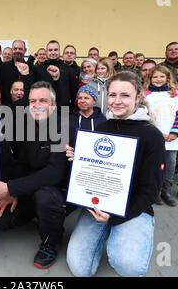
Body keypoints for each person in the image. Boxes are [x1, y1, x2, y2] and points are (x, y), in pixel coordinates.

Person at [66, 71, 166, 277]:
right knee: (79, 268)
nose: (117, 101)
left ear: (138, 97)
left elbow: (151, 190)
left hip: (134, 206)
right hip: (98, 204)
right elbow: (94, 169)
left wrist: (119, 217)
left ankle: (128, 232)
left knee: (129, 267)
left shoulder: (152, 135)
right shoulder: (102, 127)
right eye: (112, 95)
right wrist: (79, 159)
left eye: (125, 95)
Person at [0, 81, 70, 269]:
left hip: (55, 189)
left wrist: (11, 188)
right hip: (29, 186)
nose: (36, 105)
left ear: (53, 106)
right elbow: (20, 163)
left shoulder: (63, 126)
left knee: (45, 197)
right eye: (32, 101)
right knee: (0, 220)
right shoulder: (24, 124)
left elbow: (55, 173)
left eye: (43, 101)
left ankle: (51, 241)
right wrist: (12, 192)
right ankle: (39, 215)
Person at [144, 65, 178, 206]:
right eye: (155, 77)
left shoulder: (174, 94)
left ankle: (166, 191)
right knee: (155, 164)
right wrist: (157, 133)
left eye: (162, 76)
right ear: (150, 78)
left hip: (171, 137)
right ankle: (154, 192)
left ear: (168, 78)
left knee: (170, 163)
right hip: (155, 135)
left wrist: (175, 132)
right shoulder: (146, 94)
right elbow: (145, 115)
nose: (158, 79)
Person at [32, 40, 76, 107]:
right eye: (50, 50)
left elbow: (74, 91)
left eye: (55, 50)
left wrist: (71, 109)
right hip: (43, 108)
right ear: (46, 52)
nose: (53, 52)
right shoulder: (38, 69)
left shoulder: (69, 69)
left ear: (59, 51)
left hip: (64, 109)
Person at [0, 40, 32, 106]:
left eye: (20, 49)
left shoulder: (31, 69)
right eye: (15, 48)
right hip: (6, 109)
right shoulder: (2, 68)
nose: (17, 50)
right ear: (12, 50)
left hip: (26, 109)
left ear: (25, 50)